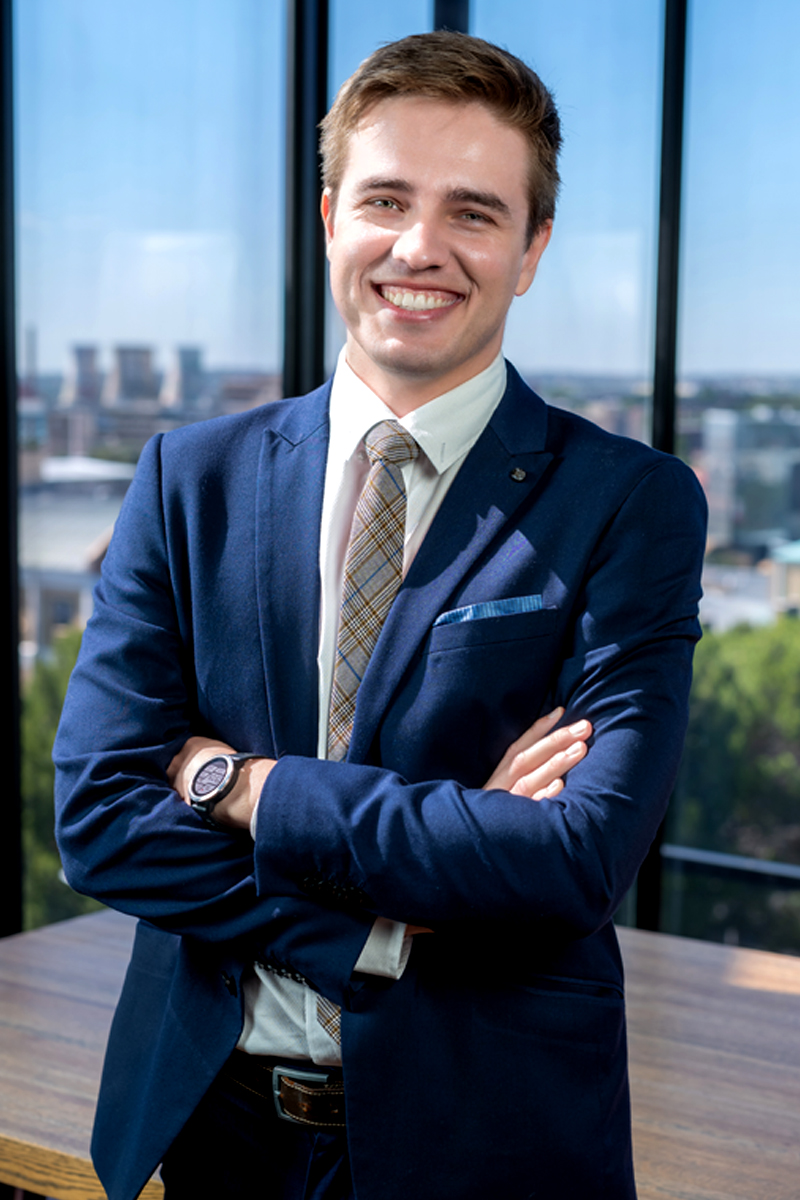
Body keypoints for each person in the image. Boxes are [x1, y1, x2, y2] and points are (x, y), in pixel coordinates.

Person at [54, 30, 706, 1200]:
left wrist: (242, 787)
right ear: (329, 219)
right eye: (386, 199)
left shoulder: (629, 503)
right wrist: (389, 922)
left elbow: (572, 859)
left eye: (472, 212)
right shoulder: (187, 479)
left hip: (488, 1138)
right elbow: (99, 818)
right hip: (214, 1127)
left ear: (530, 249)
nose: (419, 248)